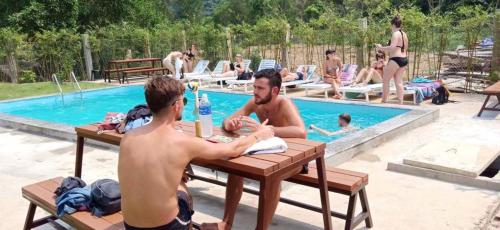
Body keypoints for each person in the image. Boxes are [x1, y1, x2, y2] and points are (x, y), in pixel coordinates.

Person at [118, 77, 274, 230]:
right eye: (184, 101)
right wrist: (259, 135)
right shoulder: (183, 142)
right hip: (167, 227)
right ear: (177, 106)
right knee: (183, 191)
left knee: (175, 182)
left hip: (130, 225)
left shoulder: (129, 136)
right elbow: (232, 150)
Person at [201, 69, 307, 230]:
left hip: (294, 159)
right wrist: (229, 124)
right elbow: (229, 119)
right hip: (266, 153)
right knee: (236, 168)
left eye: (260, 88)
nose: (255, 92)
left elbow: (301, 132)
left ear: (275, 90)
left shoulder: (284, 103)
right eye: (254, 87)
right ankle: (226, 223)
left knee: (273, 176)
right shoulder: (255, 102)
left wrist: (266, 130)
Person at [376, 15, 409, 104]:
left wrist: (381, 48)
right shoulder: (404, 34)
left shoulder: (395, 34)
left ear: (393, 25)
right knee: (398, 81)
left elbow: (392, 48)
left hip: (395, 59)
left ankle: (384, 100)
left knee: (385, 80)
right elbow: (406, 47)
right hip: (404, 59)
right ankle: (400, 102)